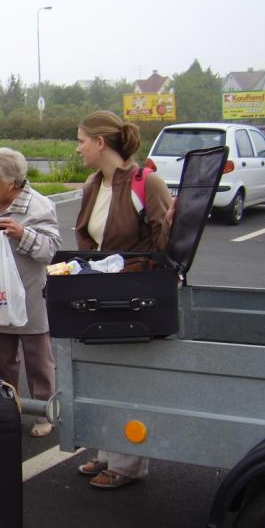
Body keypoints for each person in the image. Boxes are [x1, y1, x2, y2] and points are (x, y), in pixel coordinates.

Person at [74, 109, 173, 489]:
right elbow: (91, 240)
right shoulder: (93, 184)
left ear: (100, 143)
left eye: (82, 141)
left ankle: (127, 464)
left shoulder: (146, 183)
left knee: (127, 379)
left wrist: (171, 223)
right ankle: (108, 453)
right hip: (100, 292)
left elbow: (164, 247)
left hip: (133, 297)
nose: (78, 148)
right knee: (103, 376)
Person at [0, 147, 61, 437]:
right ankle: (7, 409)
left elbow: (51, 251)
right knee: (3, 358)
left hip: (30, 293)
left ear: (12, 183)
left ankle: (44, 412)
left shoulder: (38, 206)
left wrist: (23, 234)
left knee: (38, 359)